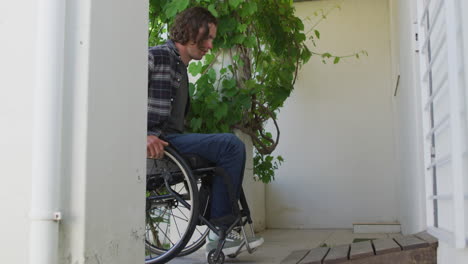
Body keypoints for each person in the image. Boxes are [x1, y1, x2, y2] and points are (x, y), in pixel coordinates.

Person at [147, 7, 263, 256]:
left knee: (225, 150)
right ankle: (222, 230)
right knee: (230, 145)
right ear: (190, 32)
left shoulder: (179, 67)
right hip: (160, 146)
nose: (210, 45)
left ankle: (219, 227)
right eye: (207, 37)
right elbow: (120, 99)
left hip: (171, 142)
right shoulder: (156, 56)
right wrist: (141, 135)